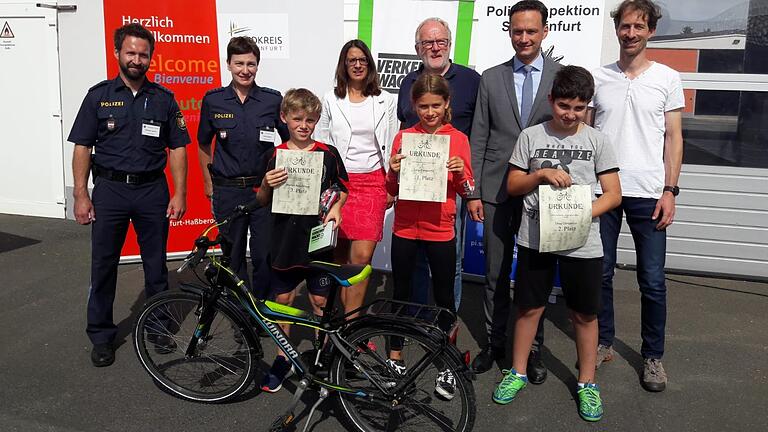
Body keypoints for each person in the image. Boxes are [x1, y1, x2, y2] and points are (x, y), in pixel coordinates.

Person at [492, 66, 621, 423]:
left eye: (579, 108)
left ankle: (587, 382)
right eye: (564, 105)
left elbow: (613, 195)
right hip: (536, 237)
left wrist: (582, 213)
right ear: (551, 100)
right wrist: (540, 174)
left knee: (584, 313)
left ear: (588, 107)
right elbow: (514, 186)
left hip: (583, 243)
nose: (570, 114)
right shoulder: (531, 136)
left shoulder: (597, 140)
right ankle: (516, 372)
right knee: (529, 308)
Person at [69, 23, 189, 367]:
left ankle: (158, 328)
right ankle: (102, 336)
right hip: (109, 191)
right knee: (103, 265)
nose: (137, 59)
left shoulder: (164, 99)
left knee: (155, 266)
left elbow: (178, 148)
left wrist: (179, 193)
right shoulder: (98, 95)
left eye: (143, 54)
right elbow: (82, 146)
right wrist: (81, 194)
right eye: (131, 52)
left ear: (151, 57)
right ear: (118, 53)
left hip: (152, 190)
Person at [589, 0, 684, 393]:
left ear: (651, 31)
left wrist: (670, 190)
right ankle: (604, 342)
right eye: (625, 26)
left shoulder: (667, 77)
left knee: (652, 280)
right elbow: (589, 135)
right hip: (605, 190)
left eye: (638, 27)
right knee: (603, 272)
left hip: (649, 192)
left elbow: (674, 137)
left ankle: (653, 357)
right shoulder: (598, 77)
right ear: (617, 30)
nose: (630, 33)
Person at [468, 0, 561, 381]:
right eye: (517, 30)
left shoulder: (562, 76)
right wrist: (473, 192)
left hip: (542, 192)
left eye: (531, 31)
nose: (523, 38)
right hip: (495, 189)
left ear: (544, 32)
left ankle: (532, 350)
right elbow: (479, 136)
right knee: (495, 272)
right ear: (509, 31)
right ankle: (495, 343)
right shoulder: (491, 78)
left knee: (533, 277)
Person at [386, 73, 475, 401]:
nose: (430, 112)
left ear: (447, 104)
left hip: (441, 230)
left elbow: (468, 190)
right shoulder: (403, 138)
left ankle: (447, 364)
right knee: (403, 295)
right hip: (405, 228)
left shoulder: (459, 140)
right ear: (414, 106)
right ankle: (395, 358)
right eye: (423, 106)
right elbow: (391, 191)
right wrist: (393, 171)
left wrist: (459, 173)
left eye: (436, 105)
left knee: (443, 299)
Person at [256, 88, 349, 393]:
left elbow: (342, 188)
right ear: (285, 118)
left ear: (317, 120)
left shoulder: (327, 154)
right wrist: (267, 186)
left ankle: (323, 354)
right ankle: (284, 357)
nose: (303, 125)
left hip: (317, 241)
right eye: (297, 119)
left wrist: (336, 207)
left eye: (310, 119)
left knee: (320, 301)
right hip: (283, 240)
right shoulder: (274, 155)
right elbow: (260, 198)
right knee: (283, 301)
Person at [398, 18, 481, 312]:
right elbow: (403, 128)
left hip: (450, 189)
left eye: (440, 41)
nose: (435, 47)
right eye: (427, 43)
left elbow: (480, 134)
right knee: (416, 263)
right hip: (413, 190)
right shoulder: (408, 82)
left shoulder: (472, 81)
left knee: (452, 260)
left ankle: (447, 321)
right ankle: (418, 318)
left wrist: (472, 191)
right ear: (418, 48)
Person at [198, 37, 289, 300]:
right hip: (227, 191)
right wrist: (208, 183)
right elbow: (204, 144)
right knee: (233, 256)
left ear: (257, 66)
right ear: (228, 64)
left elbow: (288, 141)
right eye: (239, 63)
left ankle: (261, 308)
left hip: (262, 191)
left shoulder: (272, 100)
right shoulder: (214, 100)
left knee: (263, 254)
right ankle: (242, 312)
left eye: (251, 64)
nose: (245, 70)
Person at [314, 39, 398, 316]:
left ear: (369, 64)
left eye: (362, 59)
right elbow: (323, 142)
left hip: (373, 183)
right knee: (340, 258)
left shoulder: (385, 100)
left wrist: (391, 185)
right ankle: (340, 320)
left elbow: (390, 143)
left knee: (361, 260)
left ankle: (352, 325)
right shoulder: (330, 99)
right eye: (352, 60)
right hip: (341, 185)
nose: (358, 65)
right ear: (344, 65)